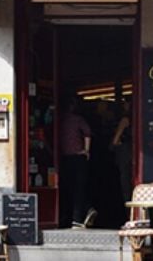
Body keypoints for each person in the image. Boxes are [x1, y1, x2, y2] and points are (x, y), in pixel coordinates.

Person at [60, 96, 97, 228]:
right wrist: (86, 150)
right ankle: (81, 215)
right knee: (79, 187)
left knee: (69, 187)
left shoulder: (59, 120)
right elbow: (87, 133)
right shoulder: (77, 119)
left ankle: (74, 216)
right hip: (78, 157)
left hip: (64, 158)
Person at [112, 98, 133, 202]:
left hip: (125, 153)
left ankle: (129, 210)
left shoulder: (125, 119)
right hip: (134, 154)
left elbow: (115, 140)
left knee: (125, 184)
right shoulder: (139, 118)